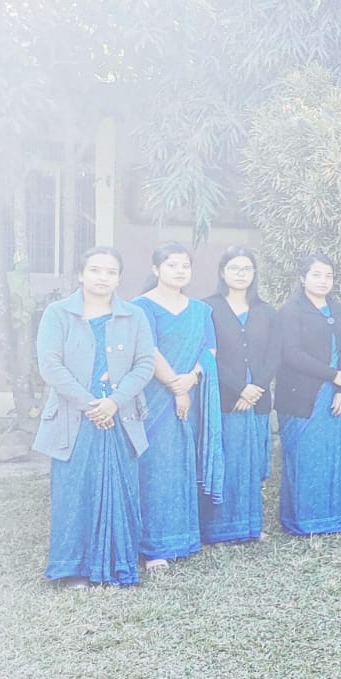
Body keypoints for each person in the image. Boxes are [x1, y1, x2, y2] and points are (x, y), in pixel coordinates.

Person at [35, 247, 156, 587]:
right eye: (95, 270)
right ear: (80, 274)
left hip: (120, 416)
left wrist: (114, 402)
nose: (103, 277)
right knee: (74, 490)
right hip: (74, 418)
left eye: (111, 272)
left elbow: (145, 364)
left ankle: (119, 564)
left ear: (119, 278)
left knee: (122, 488)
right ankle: (72, 569)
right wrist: (92, 405)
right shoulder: (58, 313)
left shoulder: (134, 316)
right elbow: (51, 366)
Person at [133, 242, 220, 567]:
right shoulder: (141, 307)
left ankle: (183, 539)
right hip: (155, 398)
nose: (180, 271)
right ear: (156, 269)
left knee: (184, 462)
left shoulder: (200, 310)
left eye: (185, 265)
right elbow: (148, 349)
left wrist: (191, 379)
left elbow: (209, 350)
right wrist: (175, 386)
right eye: (172, 265)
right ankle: (154, 546)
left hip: (191, 394)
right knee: (156, 465)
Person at [274, 255, 341, 536]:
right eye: (316, 275)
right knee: (304, 457)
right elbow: (291, 353)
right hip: (302, 396)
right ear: (303, 278)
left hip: (335, 395)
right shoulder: (290, 311)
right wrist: (333, 375)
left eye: (328, 275)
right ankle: (302, 521)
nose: (323, 281)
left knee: (330, 456)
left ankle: (332, 517)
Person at [203, 247, 278, 544]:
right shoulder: (208, 308)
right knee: (227, 461)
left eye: (247, 268)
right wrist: (239, 388)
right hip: (225, 399)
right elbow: (208, 355)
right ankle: (220, 528)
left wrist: (255, 388)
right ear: (223, 272)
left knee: (252, 463)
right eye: (234, 268)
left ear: (254, 274)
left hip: (257, 400)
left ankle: (251, 526)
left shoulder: (267, 311)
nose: (241, 274)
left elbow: (274, 354)